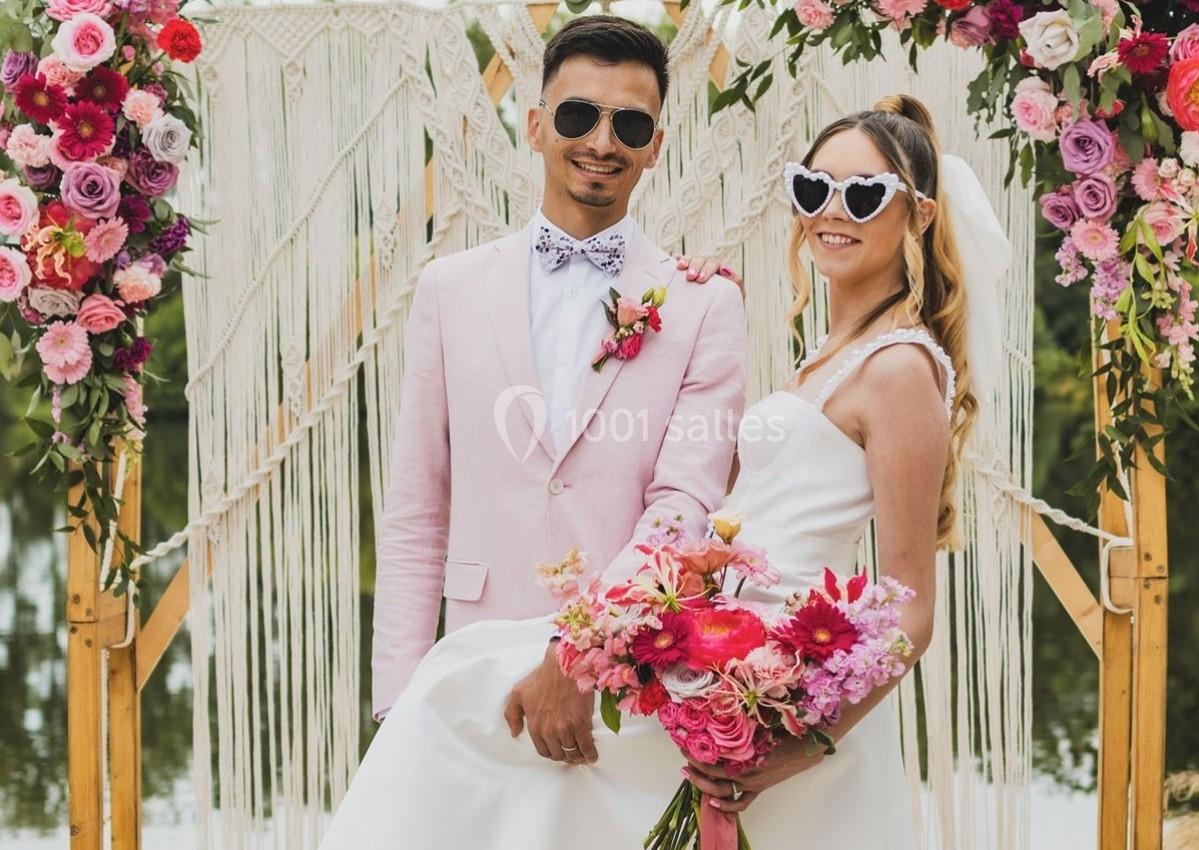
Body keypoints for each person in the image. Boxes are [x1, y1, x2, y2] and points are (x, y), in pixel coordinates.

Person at [321, 87, 1003, 848]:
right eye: (814, 189)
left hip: (780, 680)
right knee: (475, 692)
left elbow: (910, 612)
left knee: (464, 698)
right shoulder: (832, 355)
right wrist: (682, 296)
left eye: (865, 194)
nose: (832, 212)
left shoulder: (900, 367)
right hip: (720, 647)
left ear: (920, 215)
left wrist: (796, 745)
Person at [370, 11, 747, 771]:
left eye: (629, 125)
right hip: (468, 680)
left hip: (629, 691)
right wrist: (397, 704)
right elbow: (416, 512)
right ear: (537, 125)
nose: (602, 142)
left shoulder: (704, 303)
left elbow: (684, 505)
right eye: (578, 115)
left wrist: (580, 651)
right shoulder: (448, 289)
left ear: (656, 147)